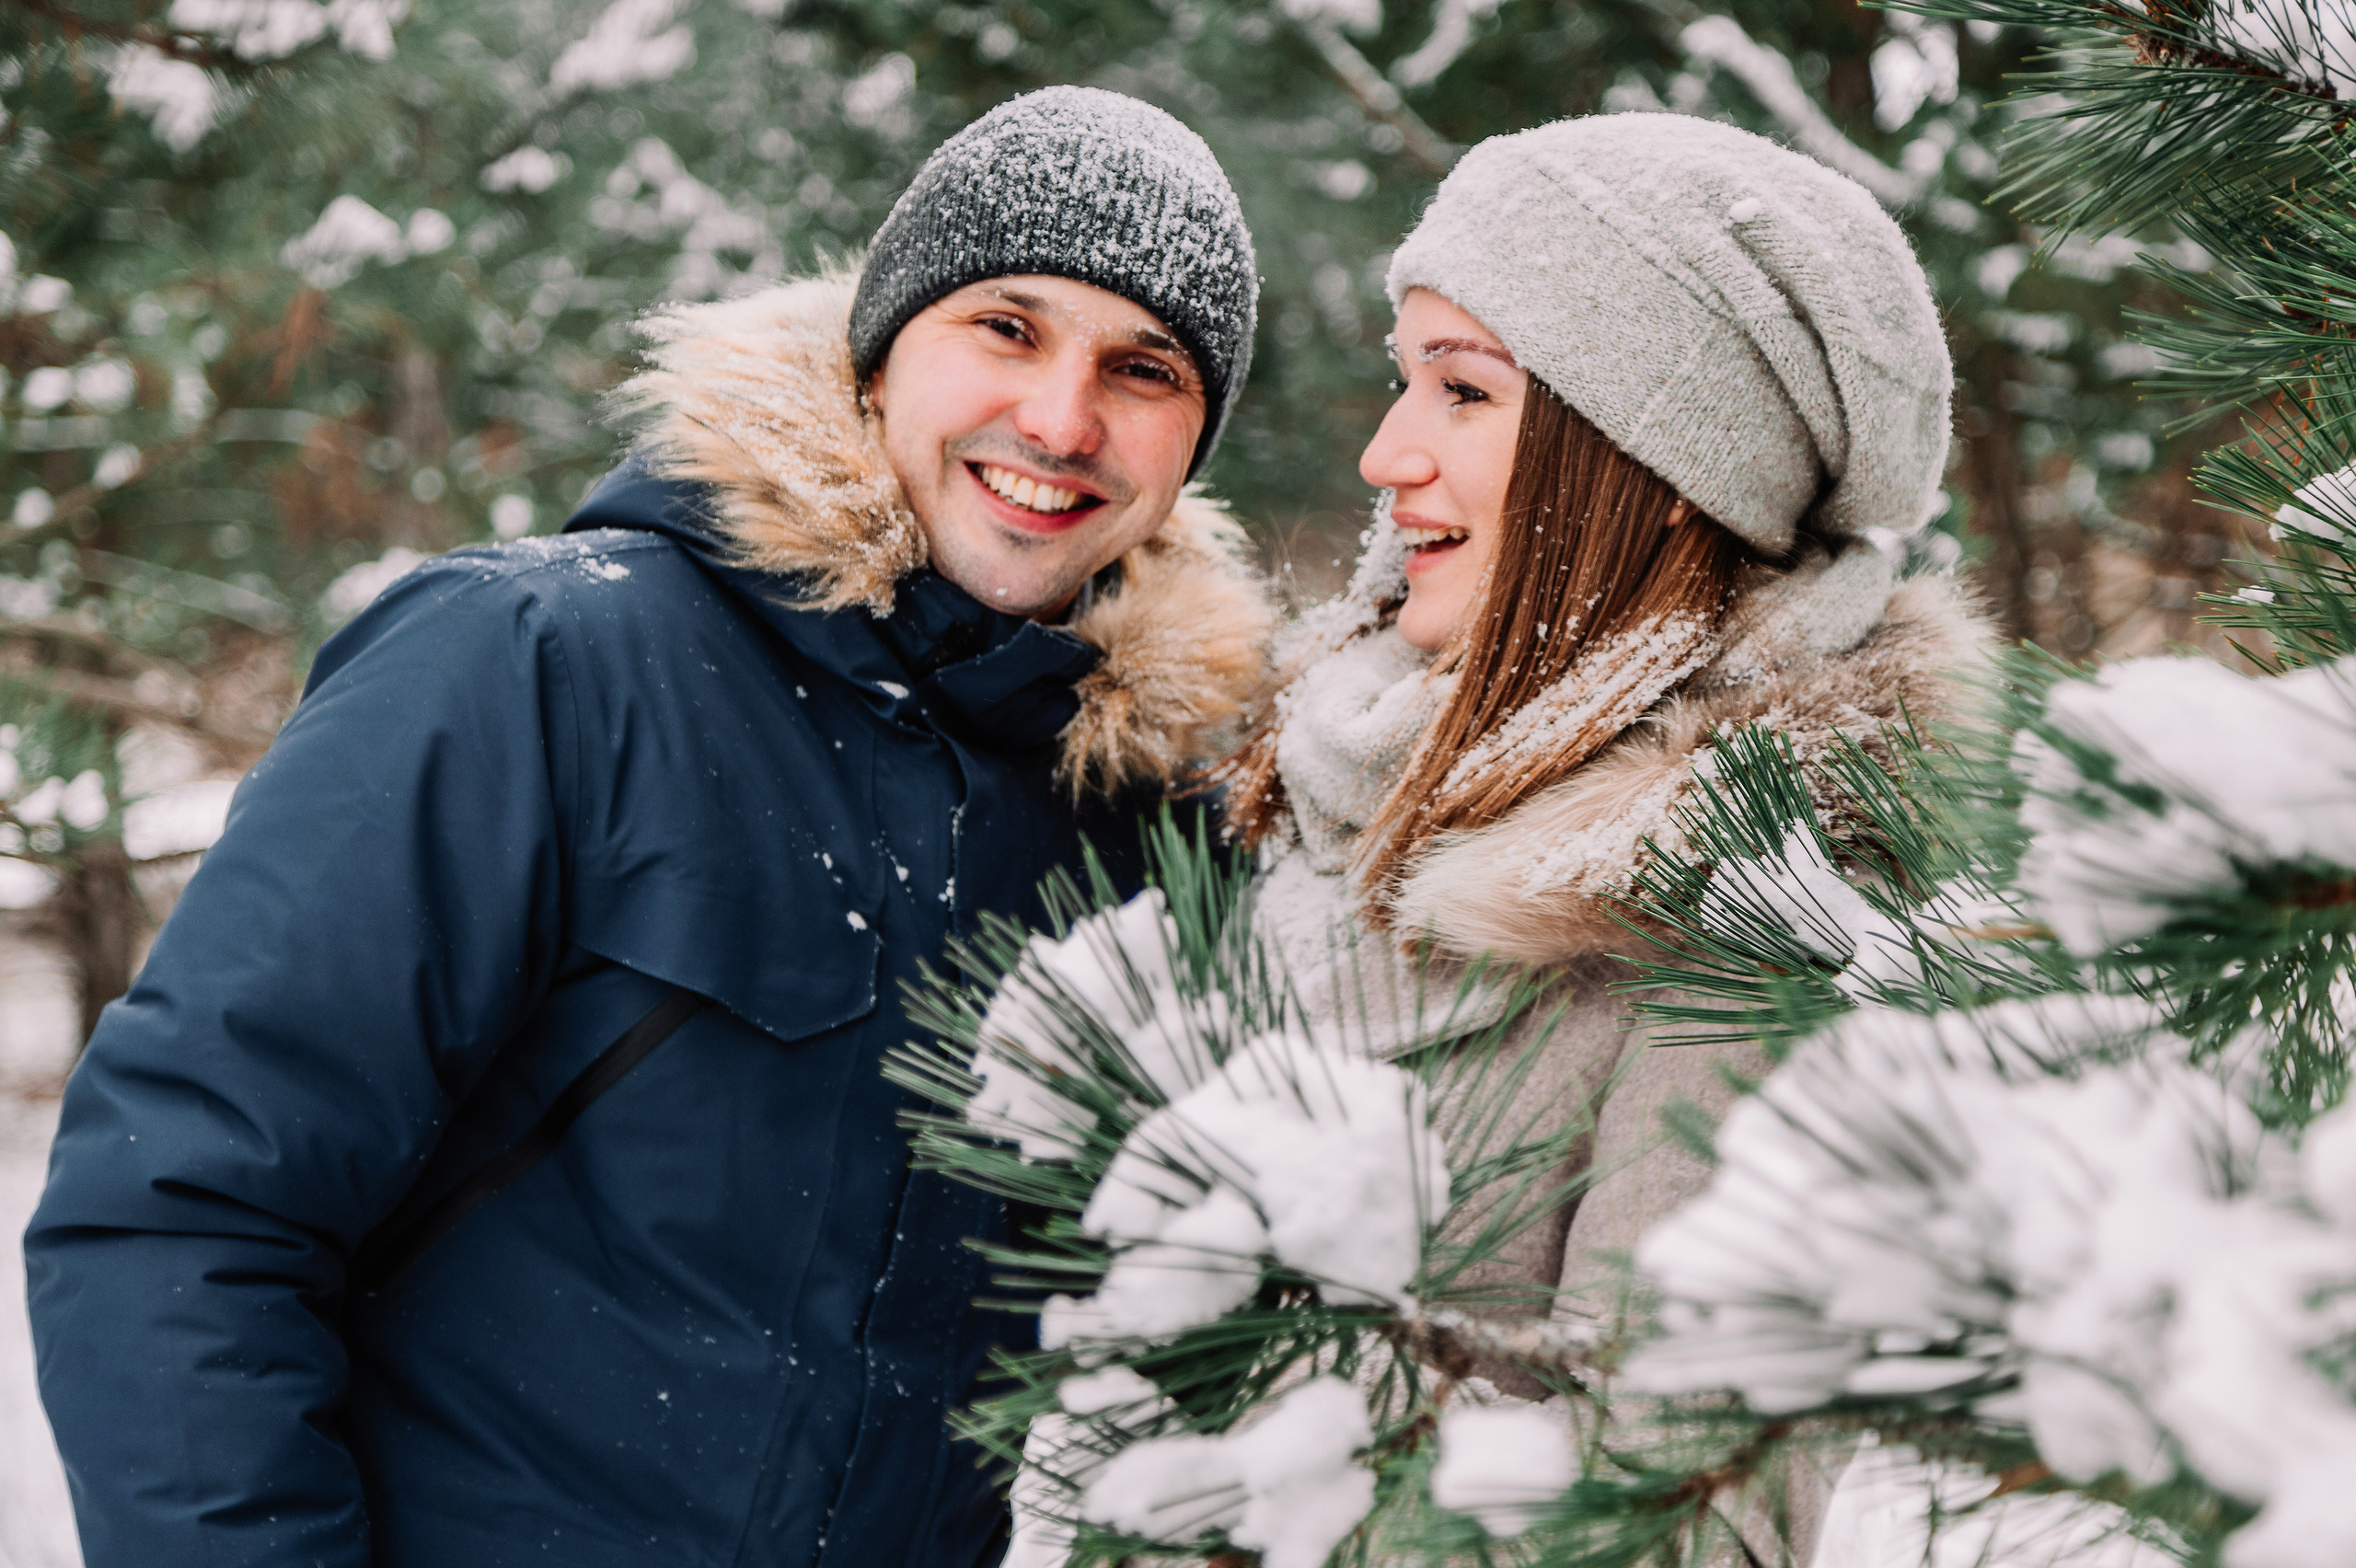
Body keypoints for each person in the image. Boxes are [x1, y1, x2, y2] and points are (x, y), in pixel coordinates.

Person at [25, 86, 1271, 1568]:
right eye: (1005, 327)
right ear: (880, 355)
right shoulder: (540, 661)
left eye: (1144, 370)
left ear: (1191, 446)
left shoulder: (1155, 821)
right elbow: (180, 1213)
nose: (1062, 420)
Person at [1222, 113, 1992, 1563]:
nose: (1388, 450)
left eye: (1463, 393)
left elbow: (1679, 1526)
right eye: (1406, 382)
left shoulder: (1753, 918)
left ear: (1645, 459)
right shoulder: (1352, 761)